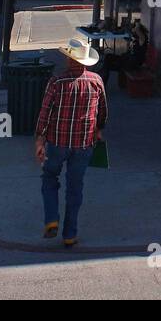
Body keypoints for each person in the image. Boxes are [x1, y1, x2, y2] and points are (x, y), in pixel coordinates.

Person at [34, 39, 108, 247]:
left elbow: (44, 113)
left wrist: (40, 139)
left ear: (69, 58)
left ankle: (51, 219)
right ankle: (70, 234)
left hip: (57, 142)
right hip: (84, 144)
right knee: (75, 187)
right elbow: (102, 113)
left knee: (49, 177)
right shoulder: (96, 82)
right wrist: (99, 131)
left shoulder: (57, 82)